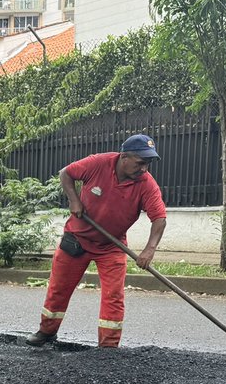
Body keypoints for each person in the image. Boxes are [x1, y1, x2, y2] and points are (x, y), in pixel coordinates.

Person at [27, 134, 167, 348]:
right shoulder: (98, 163)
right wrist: (74, 200)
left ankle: (108, 348)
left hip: (112, 247)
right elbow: (66, 173)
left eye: (147, 164)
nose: (144, 169)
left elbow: (159, 219)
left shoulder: (146, 185)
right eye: (140, 163)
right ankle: (46, 332)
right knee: (59, 289)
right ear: (124, 157)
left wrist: (149, 249)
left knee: (114, 297)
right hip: (77, 240)